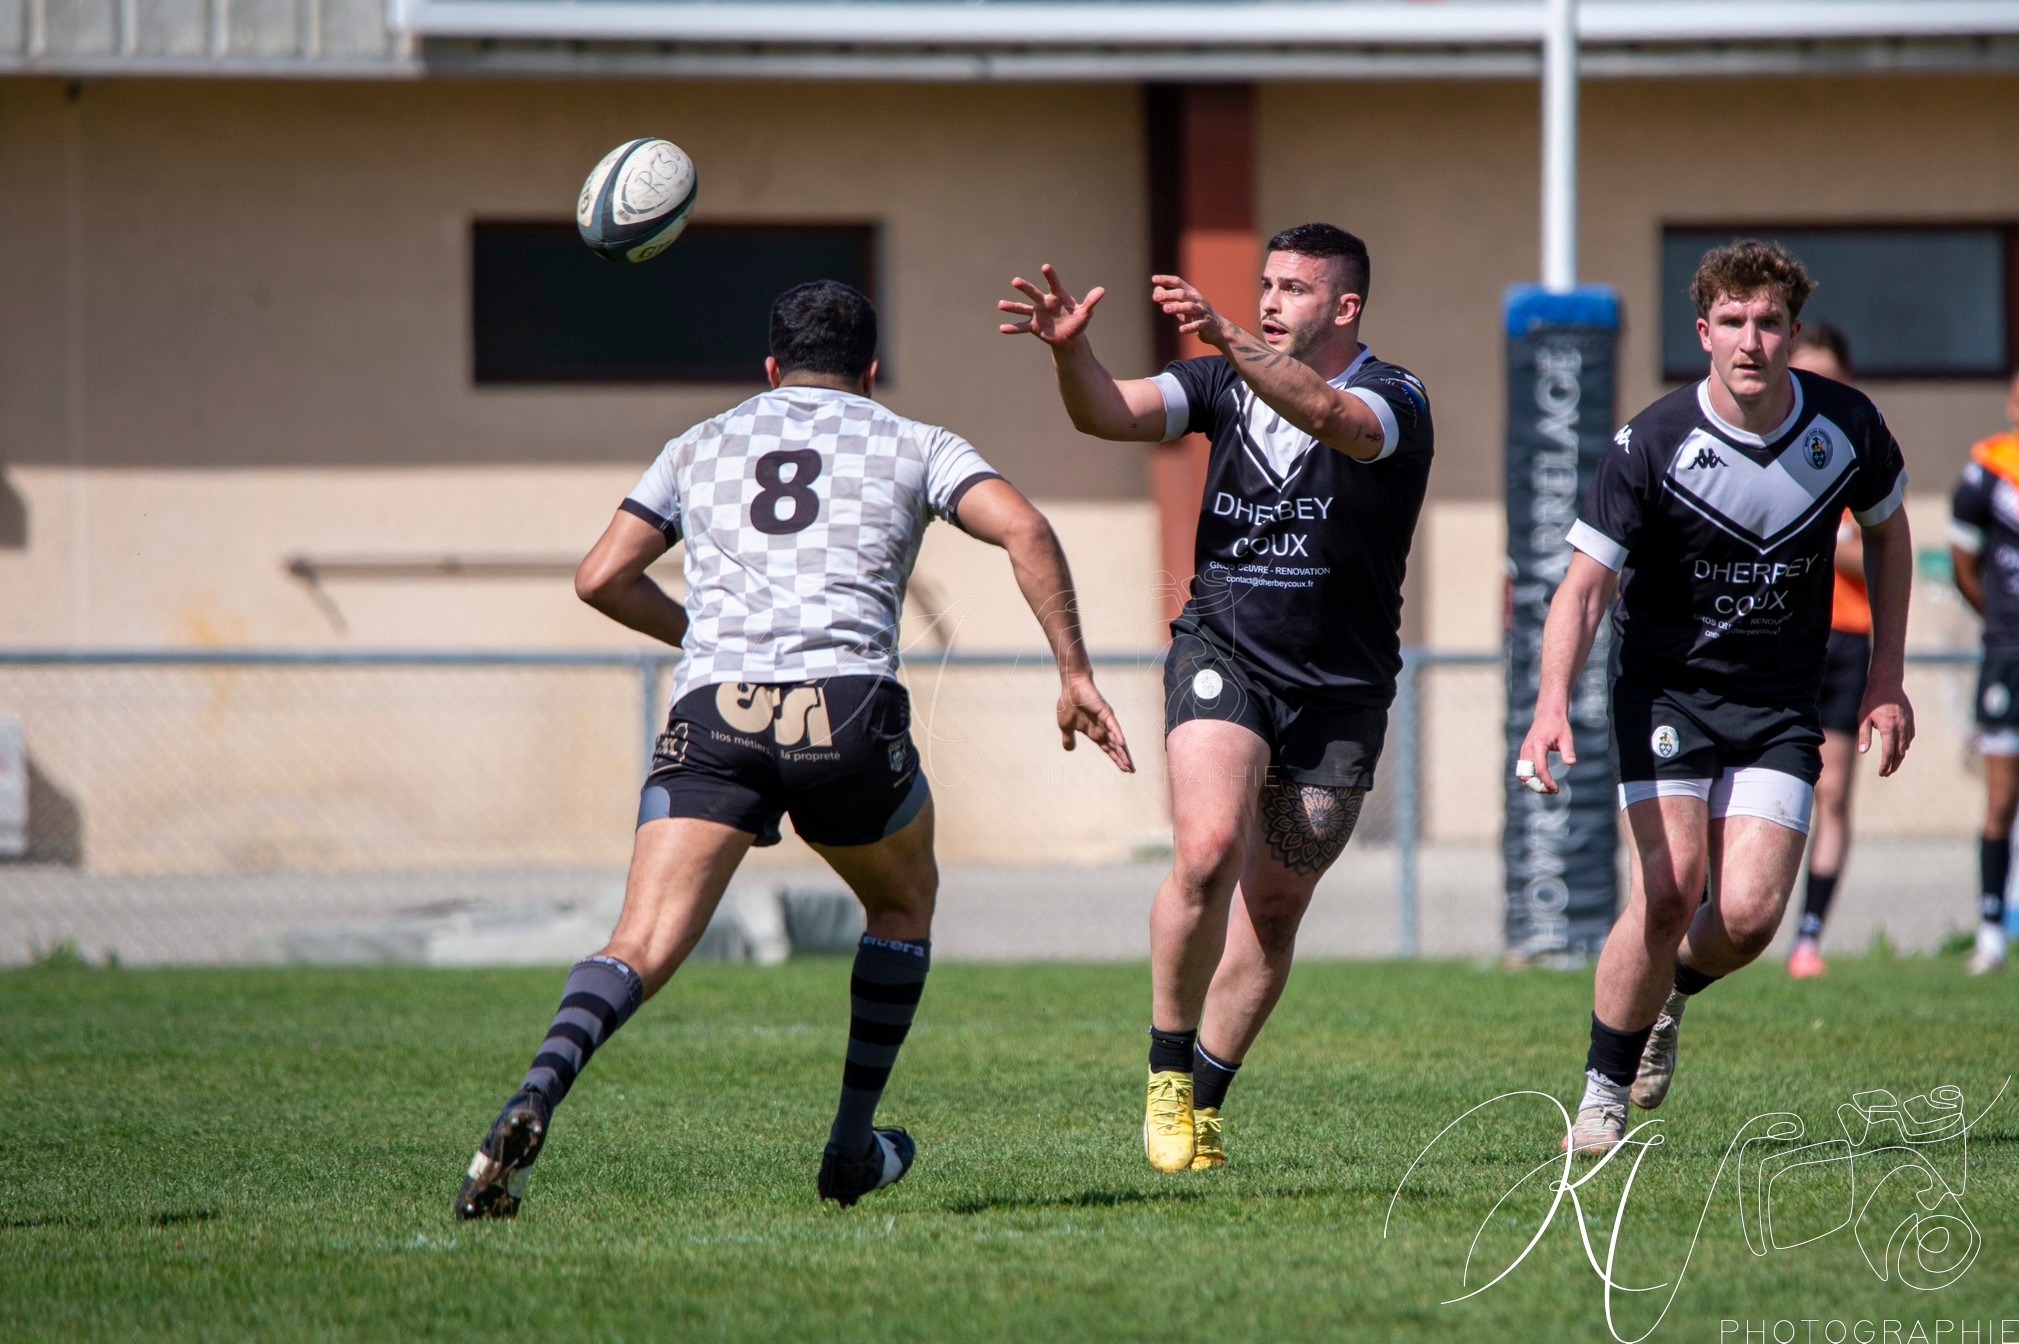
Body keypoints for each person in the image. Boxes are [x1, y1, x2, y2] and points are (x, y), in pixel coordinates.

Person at [454, 280, 1134, 1219]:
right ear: (871, 370)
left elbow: (600, 577)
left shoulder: (699, 444)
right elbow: (1024, 527)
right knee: (901, 902)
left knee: (641, 940)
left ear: (769, 369)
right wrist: (1073, 672)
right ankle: (851, 1148)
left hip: (716, 713)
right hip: (844, 712)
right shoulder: (914, 441)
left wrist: (706, 637)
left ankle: (538, 1087)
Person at [998, 223, 1433, 1172]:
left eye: (1293, 289)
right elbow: (1107, 415)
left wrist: (1230, 335)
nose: (1271, 301)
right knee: (1204, 852)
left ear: (1345, 307)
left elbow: (1334, 420)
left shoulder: (1396, 396)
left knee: (1274, 906)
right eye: (1264, 285)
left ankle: (1206, 1100)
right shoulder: (1219, 383)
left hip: (1343, 689)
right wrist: (1073, 354)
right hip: (1222, 651)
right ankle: (1162, 1072)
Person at [1516, 239, 1913, 1155]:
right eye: (1731, 321)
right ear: (1702, 332)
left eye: (1767, 321)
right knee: (1667, 891)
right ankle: (1601, 1098)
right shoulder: (1650, 442)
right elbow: (1580, 589)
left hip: (1779, 705)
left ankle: (1665, 999)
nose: (1750, 341)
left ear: (1792, 332)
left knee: (1744, 918)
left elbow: (1889, 536)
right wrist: (1547, 707)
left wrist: (1886, 677)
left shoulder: (1846, 426)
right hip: (1666, 697)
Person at [1785, 323, 1867, 978]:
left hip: (1847, 640)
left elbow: (1885, 552)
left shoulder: (1862, 448)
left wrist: (1842, 552)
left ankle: (1808, 936)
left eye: (1828, 378)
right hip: (1780, 637)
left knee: (1830, 791)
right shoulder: (1766, 445)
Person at [1947, 368, 2019, 975]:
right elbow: (1963, 564)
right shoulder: (1989, 471)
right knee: (2001, 797)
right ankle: (1991, 929)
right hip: (2008, 655)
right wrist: (1996, 620)